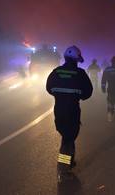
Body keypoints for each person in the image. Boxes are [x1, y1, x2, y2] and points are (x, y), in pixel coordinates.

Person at [46, 45, 93, 174]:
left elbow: (49, 88)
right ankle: (63, 167)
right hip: (73, 110)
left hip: (59, 110)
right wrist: (79, 95)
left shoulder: (56, 72)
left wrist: (59, 95)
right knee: (68, 139)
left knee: (67, 137)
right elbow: (88, 92)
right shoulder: (80, 73)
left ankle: (69, 162)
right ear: (77, 59)